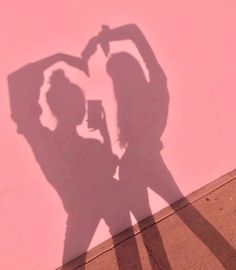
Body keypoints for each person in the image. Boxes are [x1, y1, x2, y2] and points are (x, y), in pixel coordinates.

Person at [85, 23, 236, 269]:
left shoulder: (143, 93)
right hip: (143, 165)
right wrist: (106, 37)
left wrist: (101, 38)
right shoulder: (152, 87)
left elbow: (134, 32)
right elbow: (136, 34)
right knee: (183, 217)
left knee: (153, 231)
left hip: (135, 167)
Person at [8, 53, 120, 269]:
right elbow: (18, 85)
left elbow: (109, 169)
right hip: (85, 211)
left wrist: (105, 133)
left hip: (101, 205)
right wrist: (59, 58)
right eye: (79, 102)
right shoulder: (46, 142)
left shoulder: (88, 145)